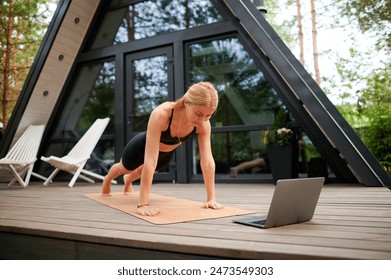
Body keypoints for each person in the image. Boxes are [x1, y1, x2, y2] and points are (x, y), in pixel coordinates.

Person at [101, 82, 224, 216]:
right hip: (141, 147)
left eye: (208, 115)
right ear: (187, 102)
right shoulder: (162, 114)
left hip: (165, 153)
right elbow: (150, 160)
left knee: (141, 172)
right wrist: (143, 204)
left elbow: (207, 161)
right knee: (123, 168)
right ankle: (107, 180)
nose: (202, 120)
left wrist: (211, 199)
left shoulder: (204, 124)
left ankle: (128, 180)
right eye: (199, 113)